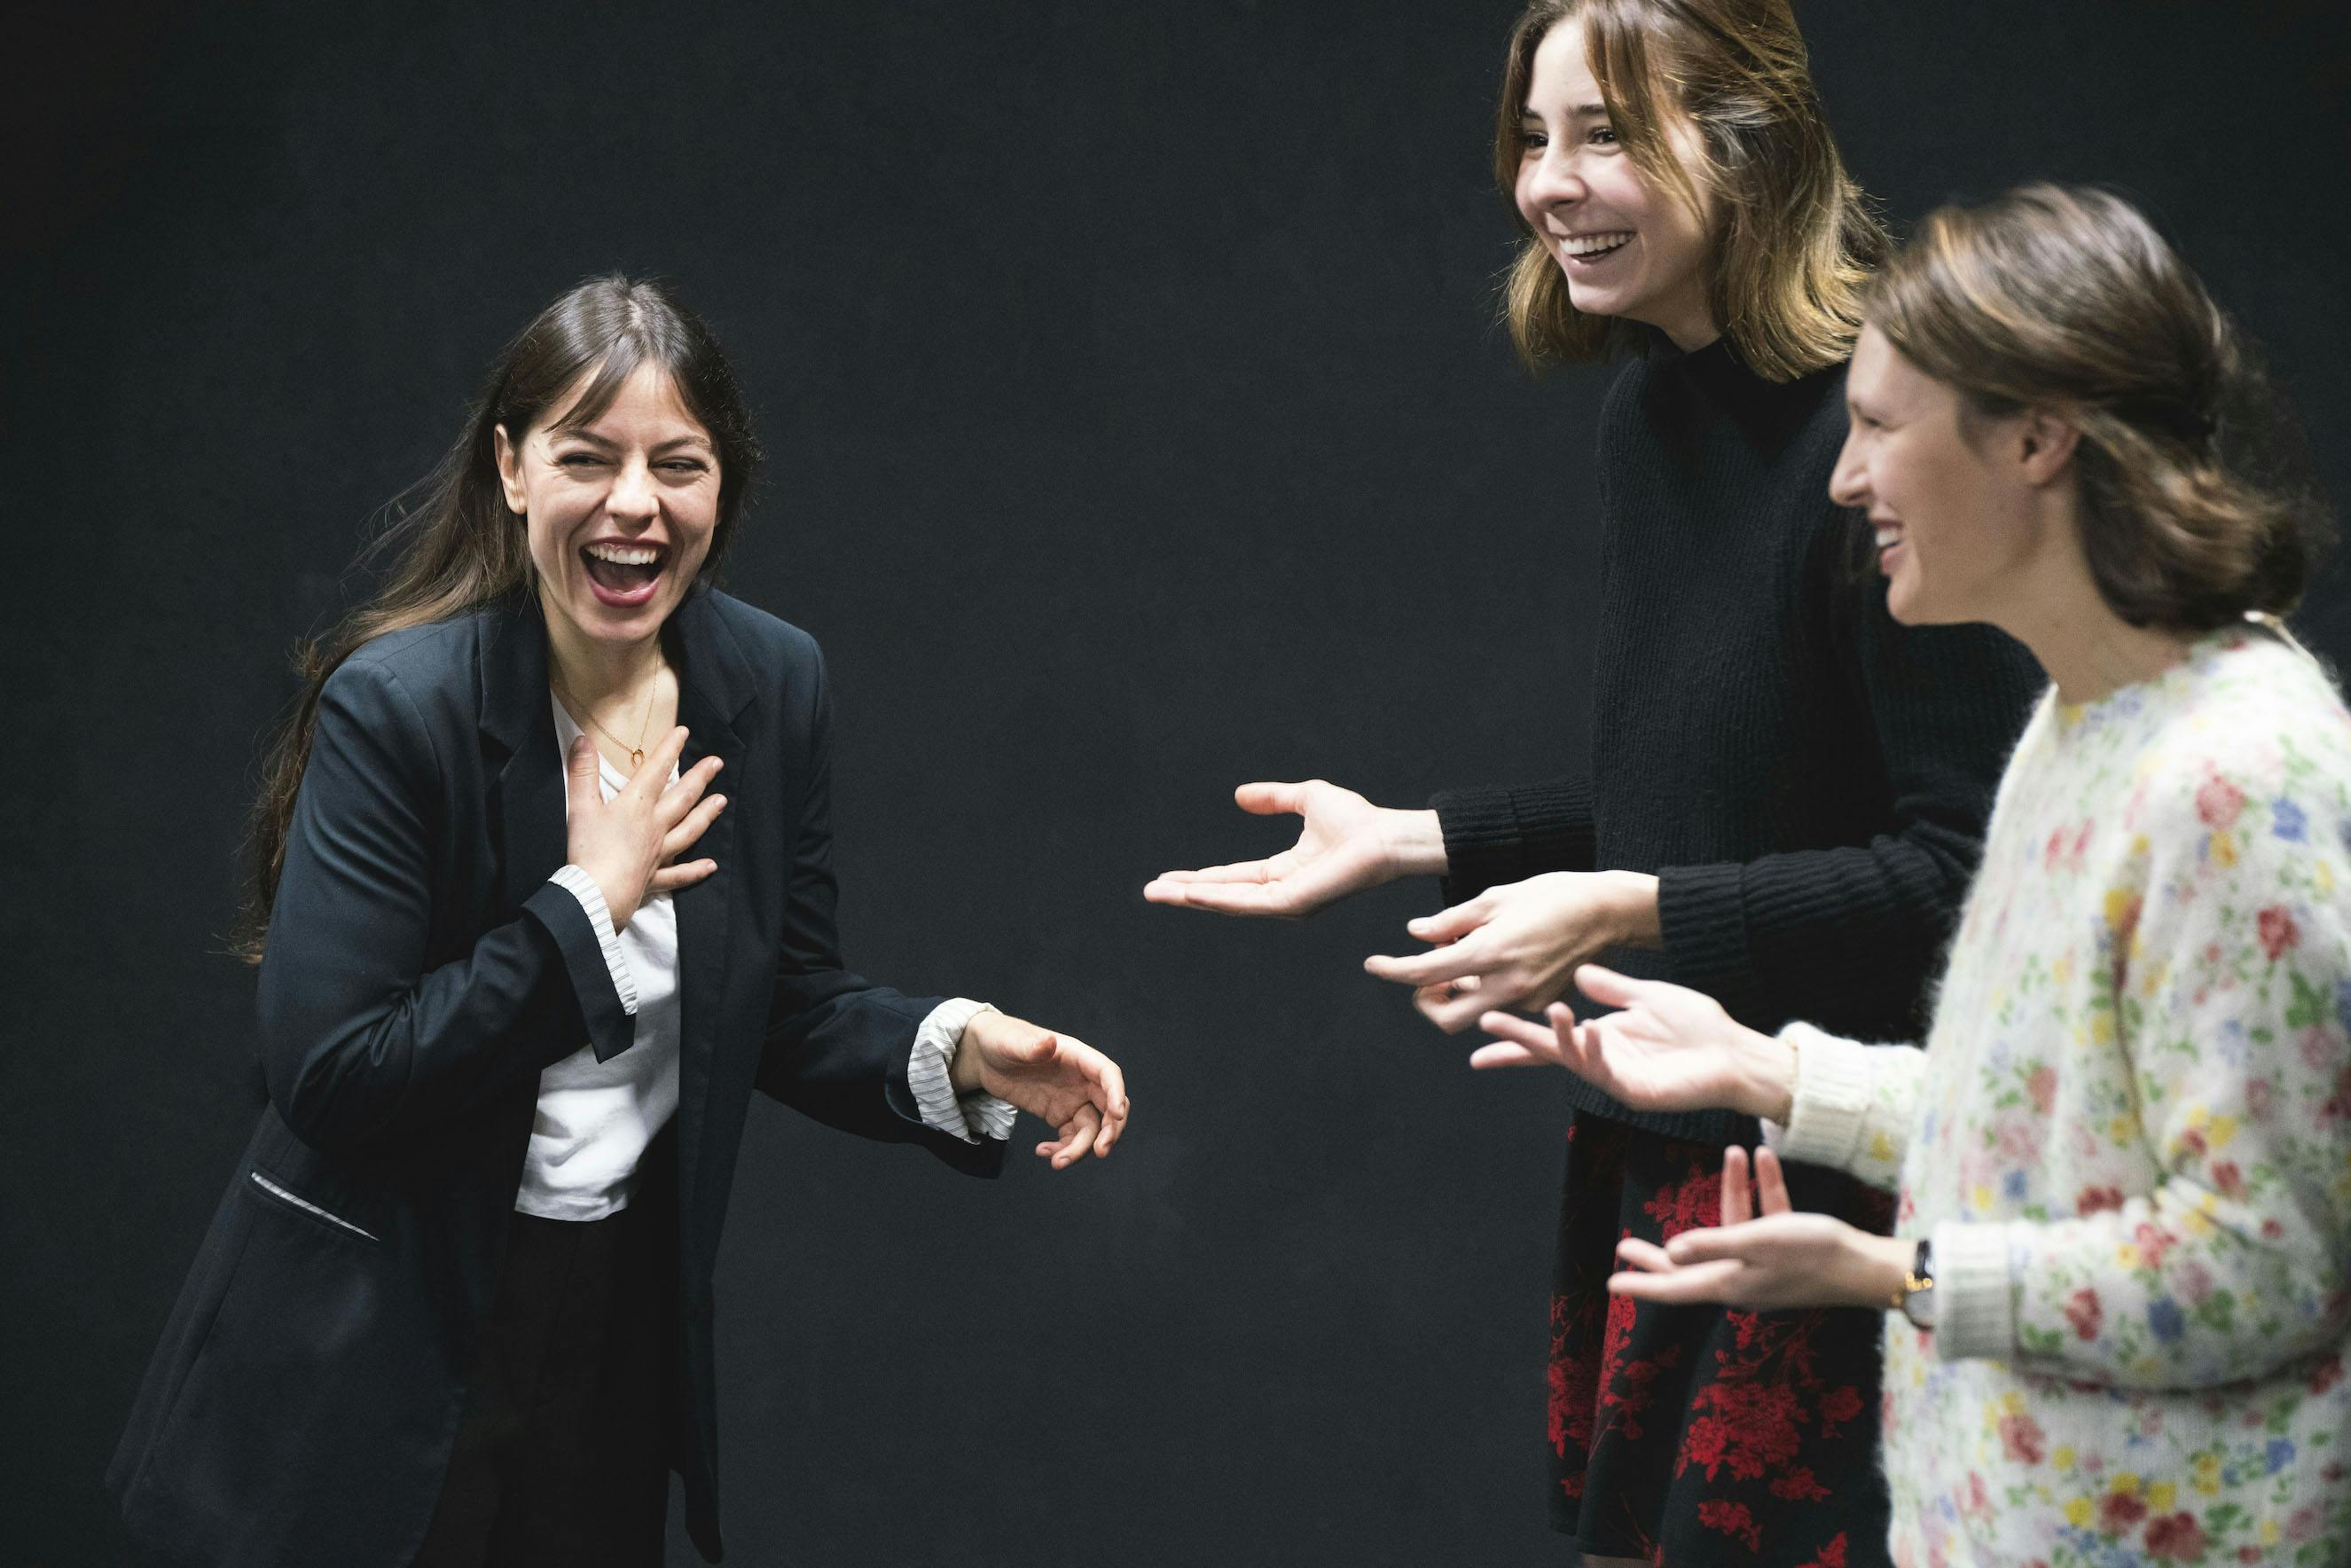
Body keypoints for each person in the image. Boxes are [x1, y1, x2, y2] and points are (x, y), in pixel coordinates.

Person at [1148, 3, 2036, 1561]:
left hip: (1851, 1185)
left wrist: (1635, 905)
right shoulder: (1656, 415)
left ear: (1750, 146)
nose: (1549, 183)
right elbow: (1707, 793)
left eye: (1607, 133)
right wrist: (1415, 841)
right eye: (1536, 136)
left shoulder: (1891, 428)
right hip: (1673, 1134)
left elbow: (1964, 878)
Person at [106, 276, 1132, 1568]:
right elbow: (330, 1074)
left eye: (678, 465)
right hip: (362, 1350)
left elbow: (787, 1002)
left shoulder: (772, 683)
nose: (634, 504)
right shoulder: (399, 709)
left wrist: (963, 1048)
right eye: (586, 458)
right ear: (512, 471)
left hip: (605, 1354)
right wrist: (589, 901)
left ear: (724, 486)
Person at [1481, 184, 2349, 1566]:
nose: (1840, 479)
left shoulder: (2237, 784)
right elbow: (2042, 1123)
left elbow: (2269, 1265)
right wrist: (1767, 1074)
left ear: (2036, 439)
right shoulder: (2083, 727)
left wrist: (1895, 1272)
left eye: (1878, 428)